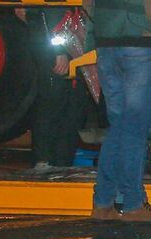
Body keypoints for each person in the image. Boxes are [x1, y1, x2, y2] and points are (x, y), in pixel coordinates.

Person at [92, 0, 151, 221]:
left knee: (118, 127)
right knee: (135, 130)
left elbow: (87, 4)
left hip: (106, 45)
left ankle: (102, 204)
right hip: (142, 47)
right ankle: (133, 205)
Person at [26, 5, 99, 176]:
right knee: (53, 105)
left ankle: (61, 161)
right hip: (59, 53)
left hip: (74, 52)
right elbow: (49, 18)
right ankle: (44, 160)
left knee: (73, 109)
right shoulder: (52, 9)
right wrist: (58, 52)